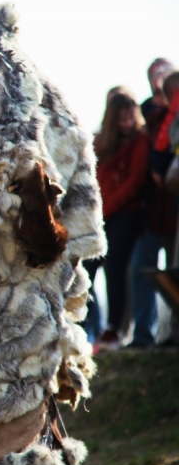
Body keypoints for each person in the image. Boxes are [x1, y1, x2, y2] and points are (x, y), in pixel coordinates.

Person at [89, 92, 150, 348]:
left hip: (126, 213)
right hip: (100, 214)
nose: (127, 124)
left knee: (115, 268)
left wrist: (108, 207)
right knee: (87, 267)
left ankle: (114, 329)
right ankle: (87, 327)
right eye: (122, 119)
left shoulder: (140, 141)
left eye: (131, 118)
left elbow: (135, 180)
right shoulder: (100, 143)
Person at [129, 59, 177, 348]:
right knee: (143, 273)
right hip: (151, 213)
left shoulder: (171, 115)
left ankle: (172, 334)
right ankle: (143, 335)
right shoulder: (146, 118)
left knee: (174, 271)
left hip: (174, 210)